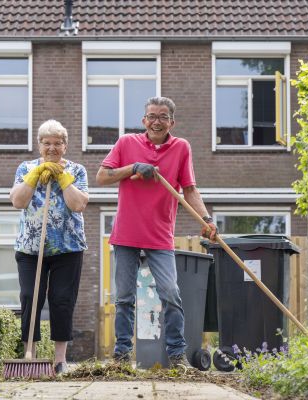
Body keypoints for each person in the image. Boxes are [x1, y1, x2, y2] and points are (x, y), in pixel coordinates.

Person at [96, 96, 217, 368]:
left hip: (160, 235)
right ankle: (122, 356)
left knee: (171, 294)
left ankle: (177, 355)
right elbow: (102, 177)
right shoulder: (127, 143)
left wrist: (206, 219)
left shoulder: (181, 148)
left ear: (171, 122)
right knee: (125, 297)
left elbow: (189, 190)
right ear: (143, 120)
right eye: (152, 116)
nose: (156, 121)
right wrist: (131, 168)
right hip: (126, 233)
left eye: (163, 117)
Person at [10, 119, 89, 375]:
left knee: (62, 300)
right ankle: (29, 354)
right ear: (39, 145)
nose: (52, 148)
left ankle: (59, 360)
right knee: (30, 297)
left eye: (57, 143)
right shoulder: (26, 168)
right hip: (30, 248)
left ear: (65, 146)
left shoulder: (77, 170)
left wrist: (64, 179)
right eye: (47, 143)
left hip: (68, 248)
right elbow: (18, 202)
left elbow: (78, 204)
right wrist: (33, 177)